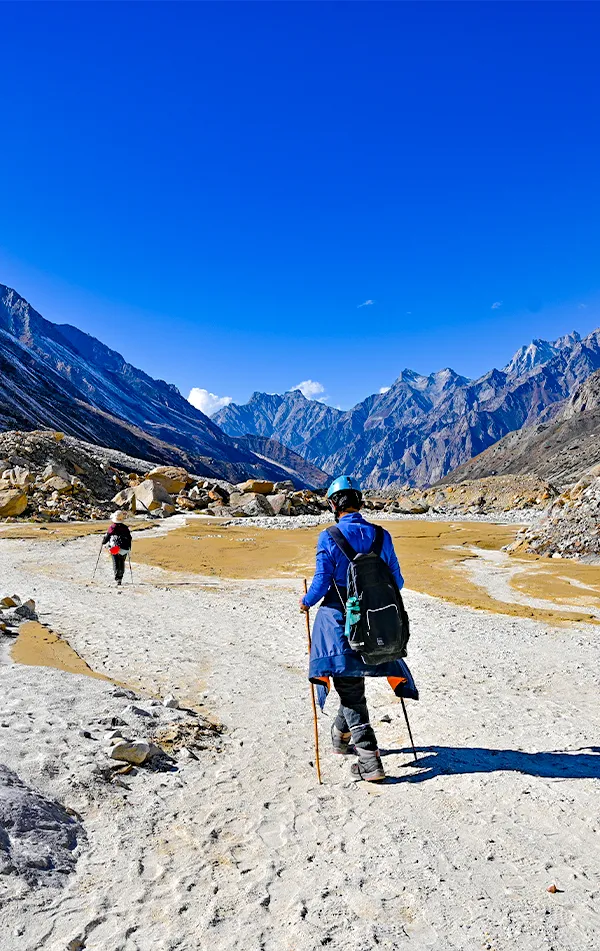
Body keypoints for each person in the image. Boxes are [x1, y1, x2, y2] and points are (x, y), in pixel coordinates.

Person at [301, 475, 418, 782]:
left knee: (351, 689)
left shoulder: (329, 537)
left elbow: (321, 582)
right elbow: (397, 581)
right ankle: (341, 738)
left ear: (333, 505)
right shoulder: (381, 536)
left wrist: (306, 601)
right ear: (359, 501)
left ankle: (370, 761)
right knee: (351, 682)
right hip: (376, 622)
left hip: (338, 622)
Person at [102, 511, 132, 586]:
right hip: (124, 548)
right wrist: (129, 547)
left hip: (114, 547)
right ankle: (120, 578)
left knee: (115, 562)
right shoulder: (125, 528)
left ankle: (117, 578)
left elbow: (107, 537)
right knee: (121, 562)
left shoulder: (112, 527)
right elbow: (129, 538)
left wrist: (103, 542)